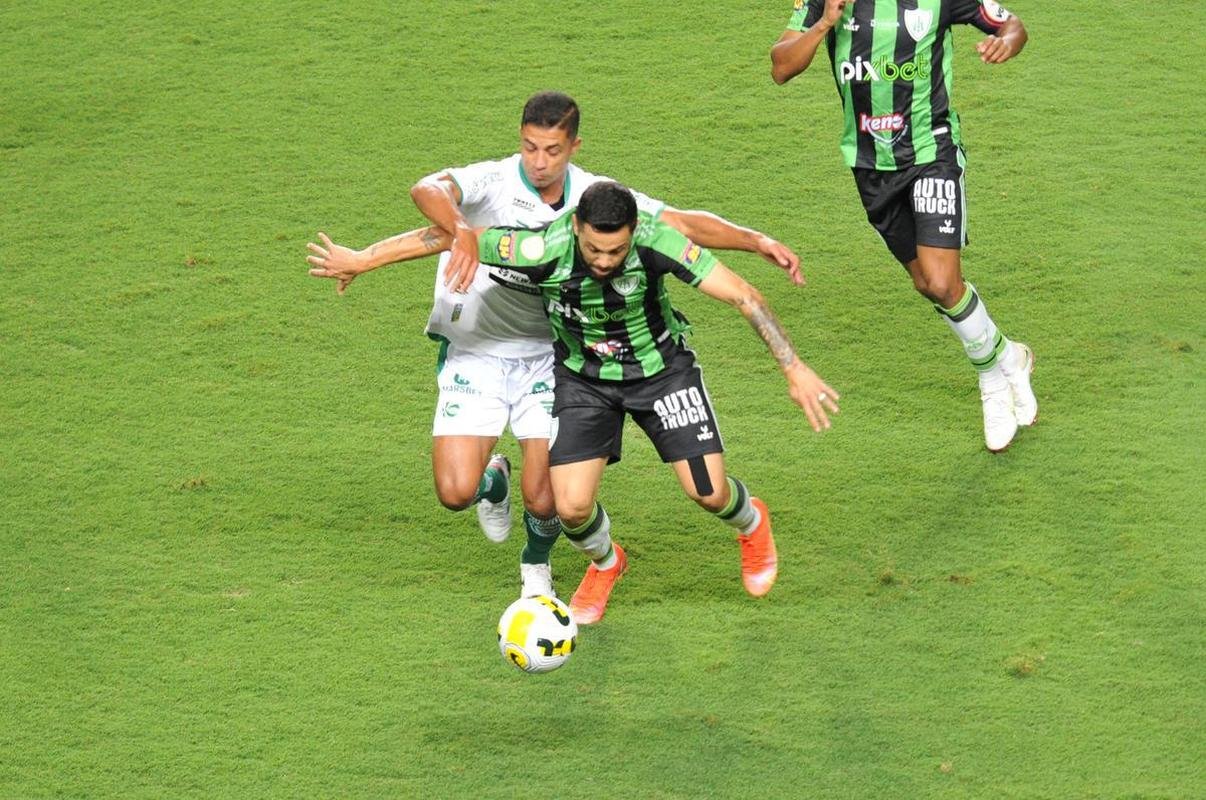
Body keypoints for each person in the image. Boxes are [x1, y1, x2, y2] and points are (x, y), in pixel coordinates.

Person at [307, 91, 806, 599]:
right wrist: (385, 252)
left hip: (561, 354)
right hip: (483, 347)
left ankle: (539, 569)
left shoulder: (602, 202)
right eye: (530, 148)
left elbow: (681, 225)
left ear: (575, 148)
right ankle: (559, 529)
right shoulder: (514, 211)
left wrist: (755, 239)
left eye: (553, 151)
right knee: (461, 492)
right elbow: (430, 205)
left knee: (567, 498)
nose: (540, 162)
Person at [459, 181, 841, 624]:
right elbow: (448, 236)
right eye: (594, 249)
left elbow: (744, 295)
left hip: (662, 375)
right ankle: (606, 563)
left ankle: (751, 523)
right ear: (577, 227)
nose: (604, 262)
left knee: (709, 492)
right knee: (571, 508)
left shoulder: (658, 240)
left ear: (634, 231)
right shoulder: (539, 248)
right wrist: (363, 260)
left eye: (616, 252)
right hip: (585, 383)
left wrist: (793, 368)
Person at [769, 0, 1036, 451]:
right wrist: (826, 23)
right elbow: (780, 66)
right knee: (927, 285)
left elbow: (1011, 24)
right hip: (870, 165)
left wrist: (1006, 42)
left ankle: (991, 378)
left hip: (932, 154)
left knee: (941, 279)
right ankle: (1009, 354)